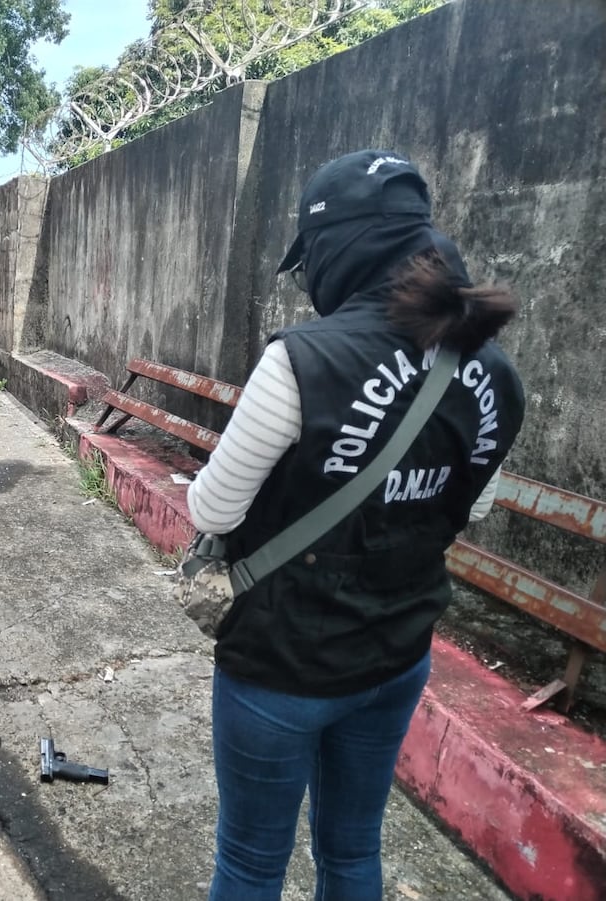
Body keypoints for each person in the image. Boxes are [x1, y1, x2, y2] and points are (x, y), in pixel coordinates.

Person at [186, 150, 525, 901]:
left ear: (336, 248)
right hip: (397, 657)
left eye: (310, 261)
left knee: (249, 863)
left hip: (281, 667)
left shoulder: (301, 362)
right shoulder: (495, 372)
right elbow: (471, 505)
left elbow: (212, 509)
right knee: (350, 851)